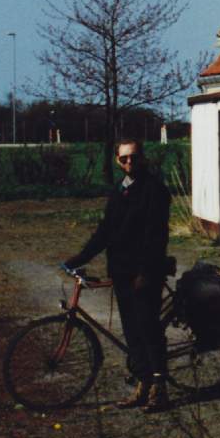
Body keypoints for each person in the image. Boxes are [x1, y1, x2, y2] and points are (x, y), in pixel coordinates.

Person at [63, 138, 172, 412]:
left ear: (142, 157)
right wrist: (81, 257)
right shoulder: (119, 190)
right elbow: (105, 231)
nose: (129, 162)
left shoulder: (154, 190)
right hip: (122, 272)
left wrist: (145, 272)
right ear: (117, 161)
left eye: (133, 157)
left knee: (148, 328)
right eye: (124, 158)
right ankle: (143, 384)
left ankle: (159, 388)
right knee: (132, 330)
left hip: (145, 272)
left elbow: (156, 236)